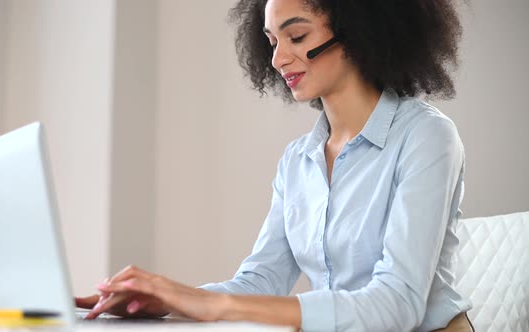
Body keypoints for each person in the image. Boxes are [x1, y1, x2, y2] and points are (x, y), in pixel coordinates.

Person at [76, 0, 475, 330]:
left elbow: (397, 304)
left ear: (358, 30)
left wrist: (212, 306)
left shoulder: (425, 136)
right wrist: (169, 300)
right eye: (271, 41)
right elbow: (262, 280)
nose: (278, 58)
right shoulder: (297, 161)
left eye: (297, 36)